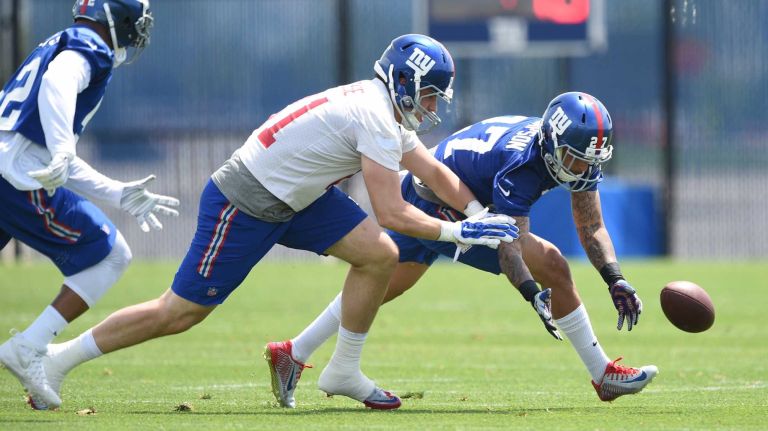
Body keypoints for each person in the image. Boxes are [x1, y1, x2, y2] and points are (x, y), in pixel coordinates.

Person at [38, 34, 519, 411]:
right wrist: (458, 231)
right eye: (429, 96)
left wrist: (480, 214)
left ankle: (342, 370)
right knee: (179, 313)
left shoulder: (383, 109)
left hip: (299, 195)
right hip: (247, 198)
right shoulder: (375, 115)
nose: (432, 108)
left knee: (379, 256)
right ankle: (58, 360)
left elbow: (433, 171)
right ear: (404, 82)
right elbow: (392, 211)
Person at [265, 92, 658, 407]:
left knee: (384, 284)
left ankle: (293, 351)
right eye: (575, 156)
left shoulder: (568, 153)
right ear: (553, 142)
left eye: (590, 158)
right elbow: (509, 246)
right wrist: (530, 292)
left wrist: (615, 279)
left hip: (438, 189)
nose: (582, 167)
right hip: (436, 199)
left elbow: (591, 225)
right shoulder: (521, 165)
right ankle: (602, 374)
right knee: (554, 265)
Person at [0, 0, 179, 410]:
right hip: (13, 178)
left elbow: (52, 158)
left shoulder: (60, 41)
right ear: (113, 16)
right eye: (135, 19)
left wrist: (117, 193)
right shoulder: (89, 45)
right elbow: (58, 86)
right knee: (110, 255)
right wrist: (62, 148)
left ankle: (29, 347)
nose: (138, 29)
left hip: (12, 164)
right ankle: (29, 347)